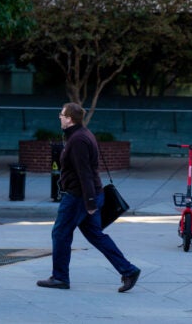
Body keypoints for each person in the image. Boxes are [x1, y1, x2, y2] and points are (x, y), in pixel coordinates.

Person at [36, 102, 141, 293]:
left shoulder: (78, 140)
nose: (59, 117)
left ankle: (60, 277)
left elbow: (84, 172)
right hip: (87, 195)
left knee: (60, 234)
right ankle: (129, 270)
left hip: (79, 197)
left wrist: (90, 202)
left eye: (61, 114)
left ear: (69, 118)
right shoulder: (81, 135)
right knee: (96, 235)